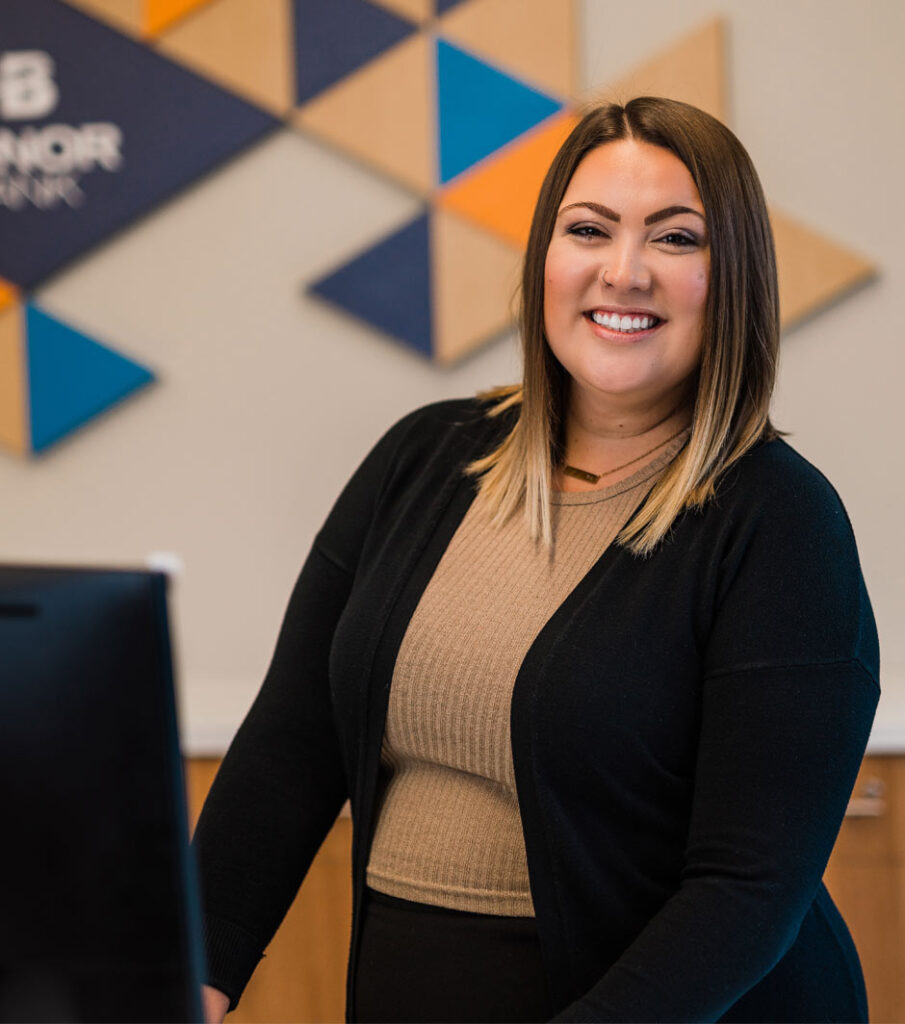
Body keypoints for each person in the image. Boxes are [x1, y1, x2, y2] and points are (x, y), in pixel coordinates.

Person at [193, 97, 879, 1023]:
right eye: (588, 229)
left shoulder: (779, 523)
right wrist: (191, 971)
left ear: (735, 278)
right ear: (543, 261)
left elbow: (747, 889)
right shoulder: (423, 458)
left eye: (676, 240)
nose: (622, 272)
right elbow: (290, 748)